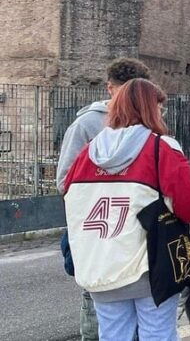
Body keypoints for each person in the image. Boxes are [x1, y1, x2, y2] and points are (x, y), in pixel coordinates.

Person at [63, 78, 190, 341]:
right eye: (160, 108)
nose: (163, 114)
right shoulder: (161, 148)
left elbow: (68, 194)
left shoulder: (86, 153)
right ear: (151, 109)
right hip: (149, 267)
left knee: (113, 336)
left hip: (100, 266)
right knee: (158, 335)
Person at [57, 57, 151, 341]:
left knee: (135, 319)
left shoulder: (150, 123)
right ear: (110, 89)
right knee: (101, 315)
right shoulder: (88, 124)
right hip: (102, 235)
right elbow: (65, 181)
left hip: (137, 236)